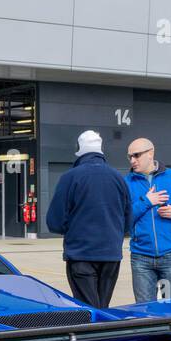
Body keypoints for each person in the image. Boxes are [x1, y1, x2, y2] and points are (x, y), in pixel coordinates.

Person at [44, 130, 130, 308]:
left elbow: (55, 222)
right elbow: (128, 221)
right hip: (111, 255)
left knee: (88, 309)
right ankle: (104, 333)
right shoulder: (118, 178)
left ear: (79, 149)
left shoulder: (70, 177)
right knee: (102, 307)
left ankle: (95, 335)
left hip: (81, 254)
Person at [125, 138, 171, 303]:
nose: (132, 160)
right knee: (145, 310)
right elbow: (124, 218)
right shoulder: (126, 183)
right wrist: (147, 201)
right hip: (141, 257)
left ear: (150, 153)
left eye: (136, 155)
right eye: (130, 156)